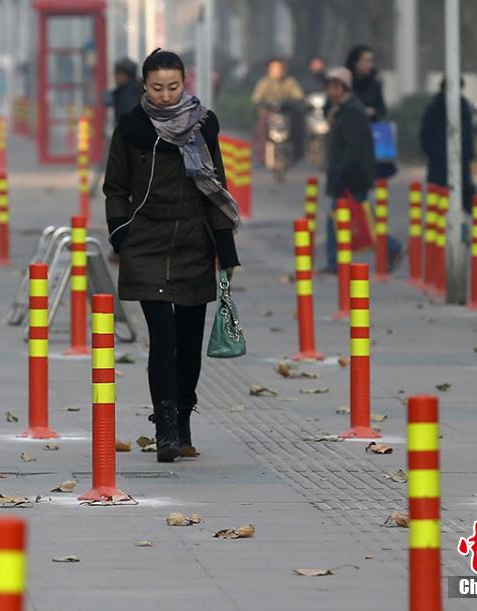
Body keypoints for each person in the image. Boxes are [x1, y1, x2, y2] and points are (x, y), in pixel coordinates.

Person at [104, 49, 241, 462]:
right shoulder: (130, 129)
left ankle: (183, 420)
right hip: (146, 242)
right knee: (162, 337)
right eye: (157, 87)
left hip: (194, 243)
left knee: (188, 340)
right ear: (144, 86)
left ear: (186, 83)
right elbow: (115, 188)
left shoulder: (204, 126)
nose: (165, 96)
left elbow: (216, 186)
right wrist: (121, 235)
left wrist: (225, 249)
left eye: (173, 87)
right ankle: (164, 428)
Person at [322, 67, 402, 274]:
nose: (330, 91)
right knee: (361, 219)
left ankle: (389, 248)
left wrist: (340, 176)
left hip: (351, 176)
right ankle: (388, 248)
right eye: (328, 87)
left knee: (346, 220)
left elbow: (352, 148)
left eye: (335, 87)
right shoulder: (343, 109)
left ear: (345, 88)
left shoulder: (352, 111)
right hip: (348, 174)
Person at [420, 77, 475, 213]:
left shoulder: (463, 106)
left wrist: (468, 155)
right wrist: (434, 153)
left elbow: (468, 133)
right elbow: (425, 134)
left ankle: (459, 226)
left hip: (460, 160)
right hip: (439, 161)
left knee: (463, 195)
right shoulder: (434, 107)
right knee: (440, 199)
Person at [251, 58, 305, 163]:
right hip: (268, 114)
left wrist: (293, 102)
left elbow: (298, 95)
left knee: (298, 125)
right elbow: (256, 97)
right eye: (274, 68)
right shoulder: (264, 82)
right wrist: (262, 104)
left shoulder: (290, 82)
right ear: (269, 69)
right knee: (261, 127)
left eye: (280, 68)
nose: (277, 70)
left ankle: (298, 155)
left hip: (287, 113)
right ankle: (261, 156)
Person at [345, 45, 386, 120]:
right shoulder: (344, 82)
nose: (370, 65)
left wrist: (373, 112)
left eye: (371, 61)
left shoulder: (375, 84)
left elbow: (381, 110)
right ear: (355, 62)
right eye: (366, 61)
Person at [110, 58, 142, 124]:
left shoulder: (129, 94)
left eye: (117, 74)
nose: (115, 77)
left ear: (125, 75)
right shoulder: (137, 88)